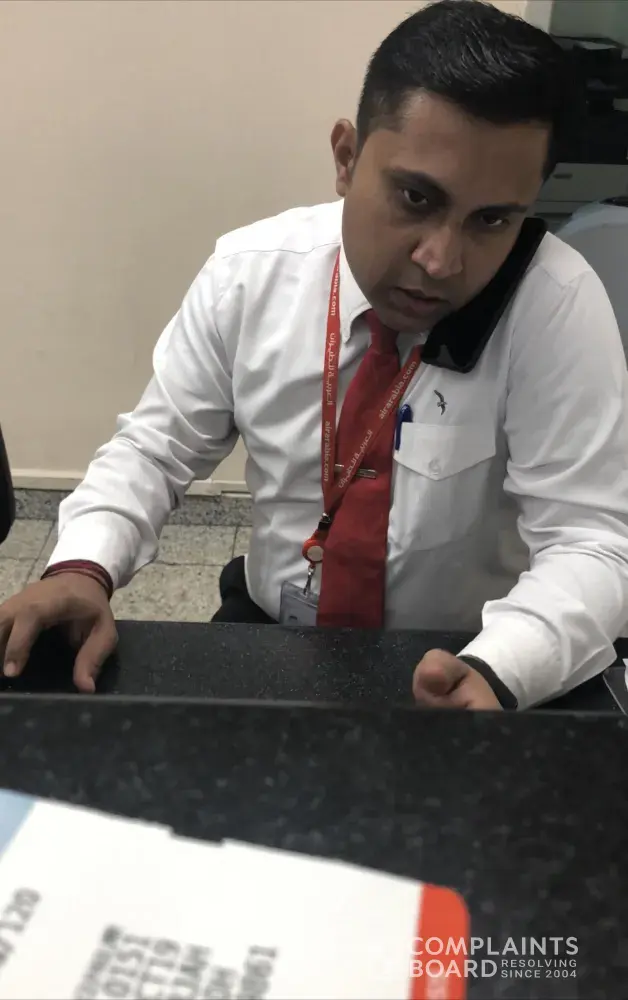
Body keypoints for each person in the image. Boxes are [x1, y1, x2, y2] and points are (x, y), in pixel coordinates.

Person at [1, 0, 627, 710]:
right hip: (273, 632)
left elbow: (591, 541)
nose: (441, 260)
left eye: (492, 219)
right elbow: (154, 450)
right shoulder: (251, 275)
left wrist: (502, 668)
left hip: (469, 654)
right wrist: (81, 569)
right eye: (416, 197)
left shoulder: (554, 304)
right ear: (346, 158)